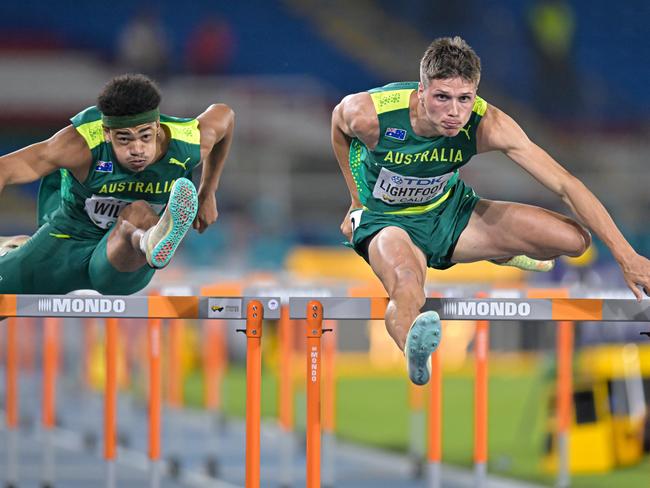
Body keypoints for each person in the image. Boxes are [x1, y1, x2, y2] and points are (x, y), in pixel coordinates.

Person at [331, 36, 650, 385]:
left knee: (575, 241)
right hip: (387, 222)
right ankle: (415, 351)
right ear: (421, 91)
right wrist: (356, 201)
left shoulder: (488, 124)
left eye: (464, 99)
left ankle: (501, 252)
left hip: (450, 213)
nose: (454, 112)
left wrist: (626, 255)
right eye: (442, 98)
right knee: (407, 285)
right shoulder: (370, 114)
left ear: (475, 93)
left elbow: (565, 185)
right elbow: (338, 126)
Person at [0, 73, 234, 295]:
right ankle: (16, 246)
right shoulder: (80, 144)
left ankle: (151, 240)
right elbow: (5, 169)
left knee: (138, 211)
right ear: (107, 134)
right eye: (124, 139)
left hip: (121, 264)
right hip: (67, 241)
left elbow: (225, 115)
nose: (137, 150)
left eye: (145, 136)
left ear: (157, 126)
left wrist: (207, 192)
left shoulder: (187, 141)